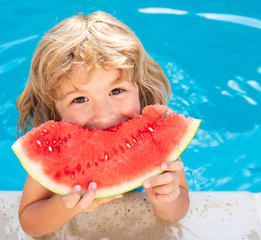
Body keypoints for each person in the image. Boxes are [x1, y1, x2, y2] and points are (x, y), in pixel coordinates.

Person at [15, 11, 189, 238]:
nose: (103, 115)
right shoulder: (57, 156)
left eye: (117, 91)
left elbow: (176, 214)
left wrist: (169, 197)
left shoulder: (155, 142)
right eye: (79, 99)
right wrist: (64, 206)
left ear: (140, 88)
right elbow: (31, 225)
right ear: (54, 107)